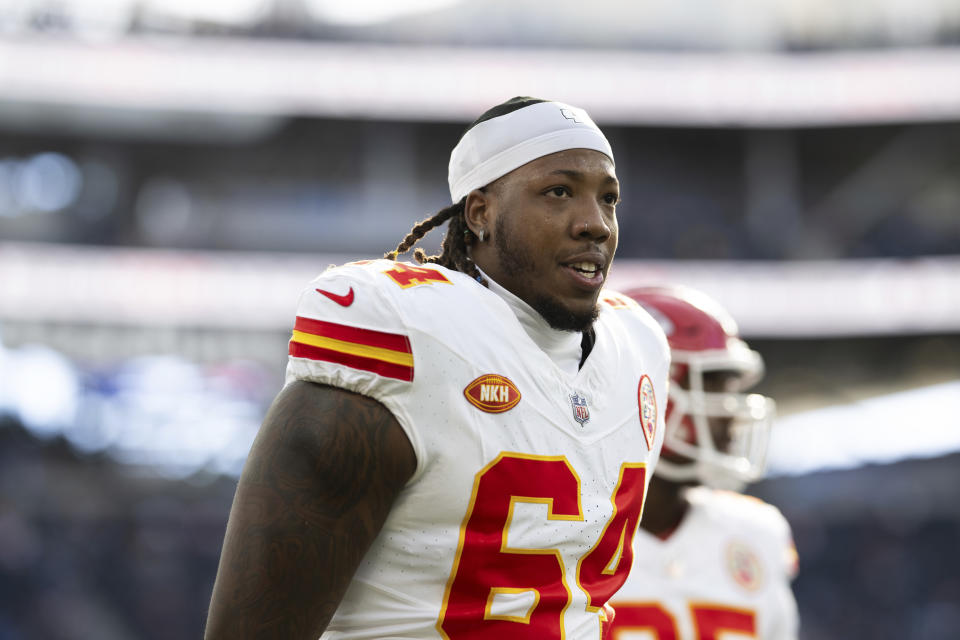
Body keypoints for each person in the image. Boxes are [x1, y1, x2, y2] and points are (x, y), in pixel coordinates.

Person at [205, 97, 671, 639]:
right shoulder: (409, 336)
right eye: (558, 192)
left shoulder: (637, 349)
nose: (595, 224)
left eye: (608, 198)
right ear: (480, 214)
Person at [609, 286, 799, 640]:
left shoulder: (758, 533)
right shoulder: (561, 534)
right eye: (711, 388)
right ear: (646, 391)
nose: (729, 416)